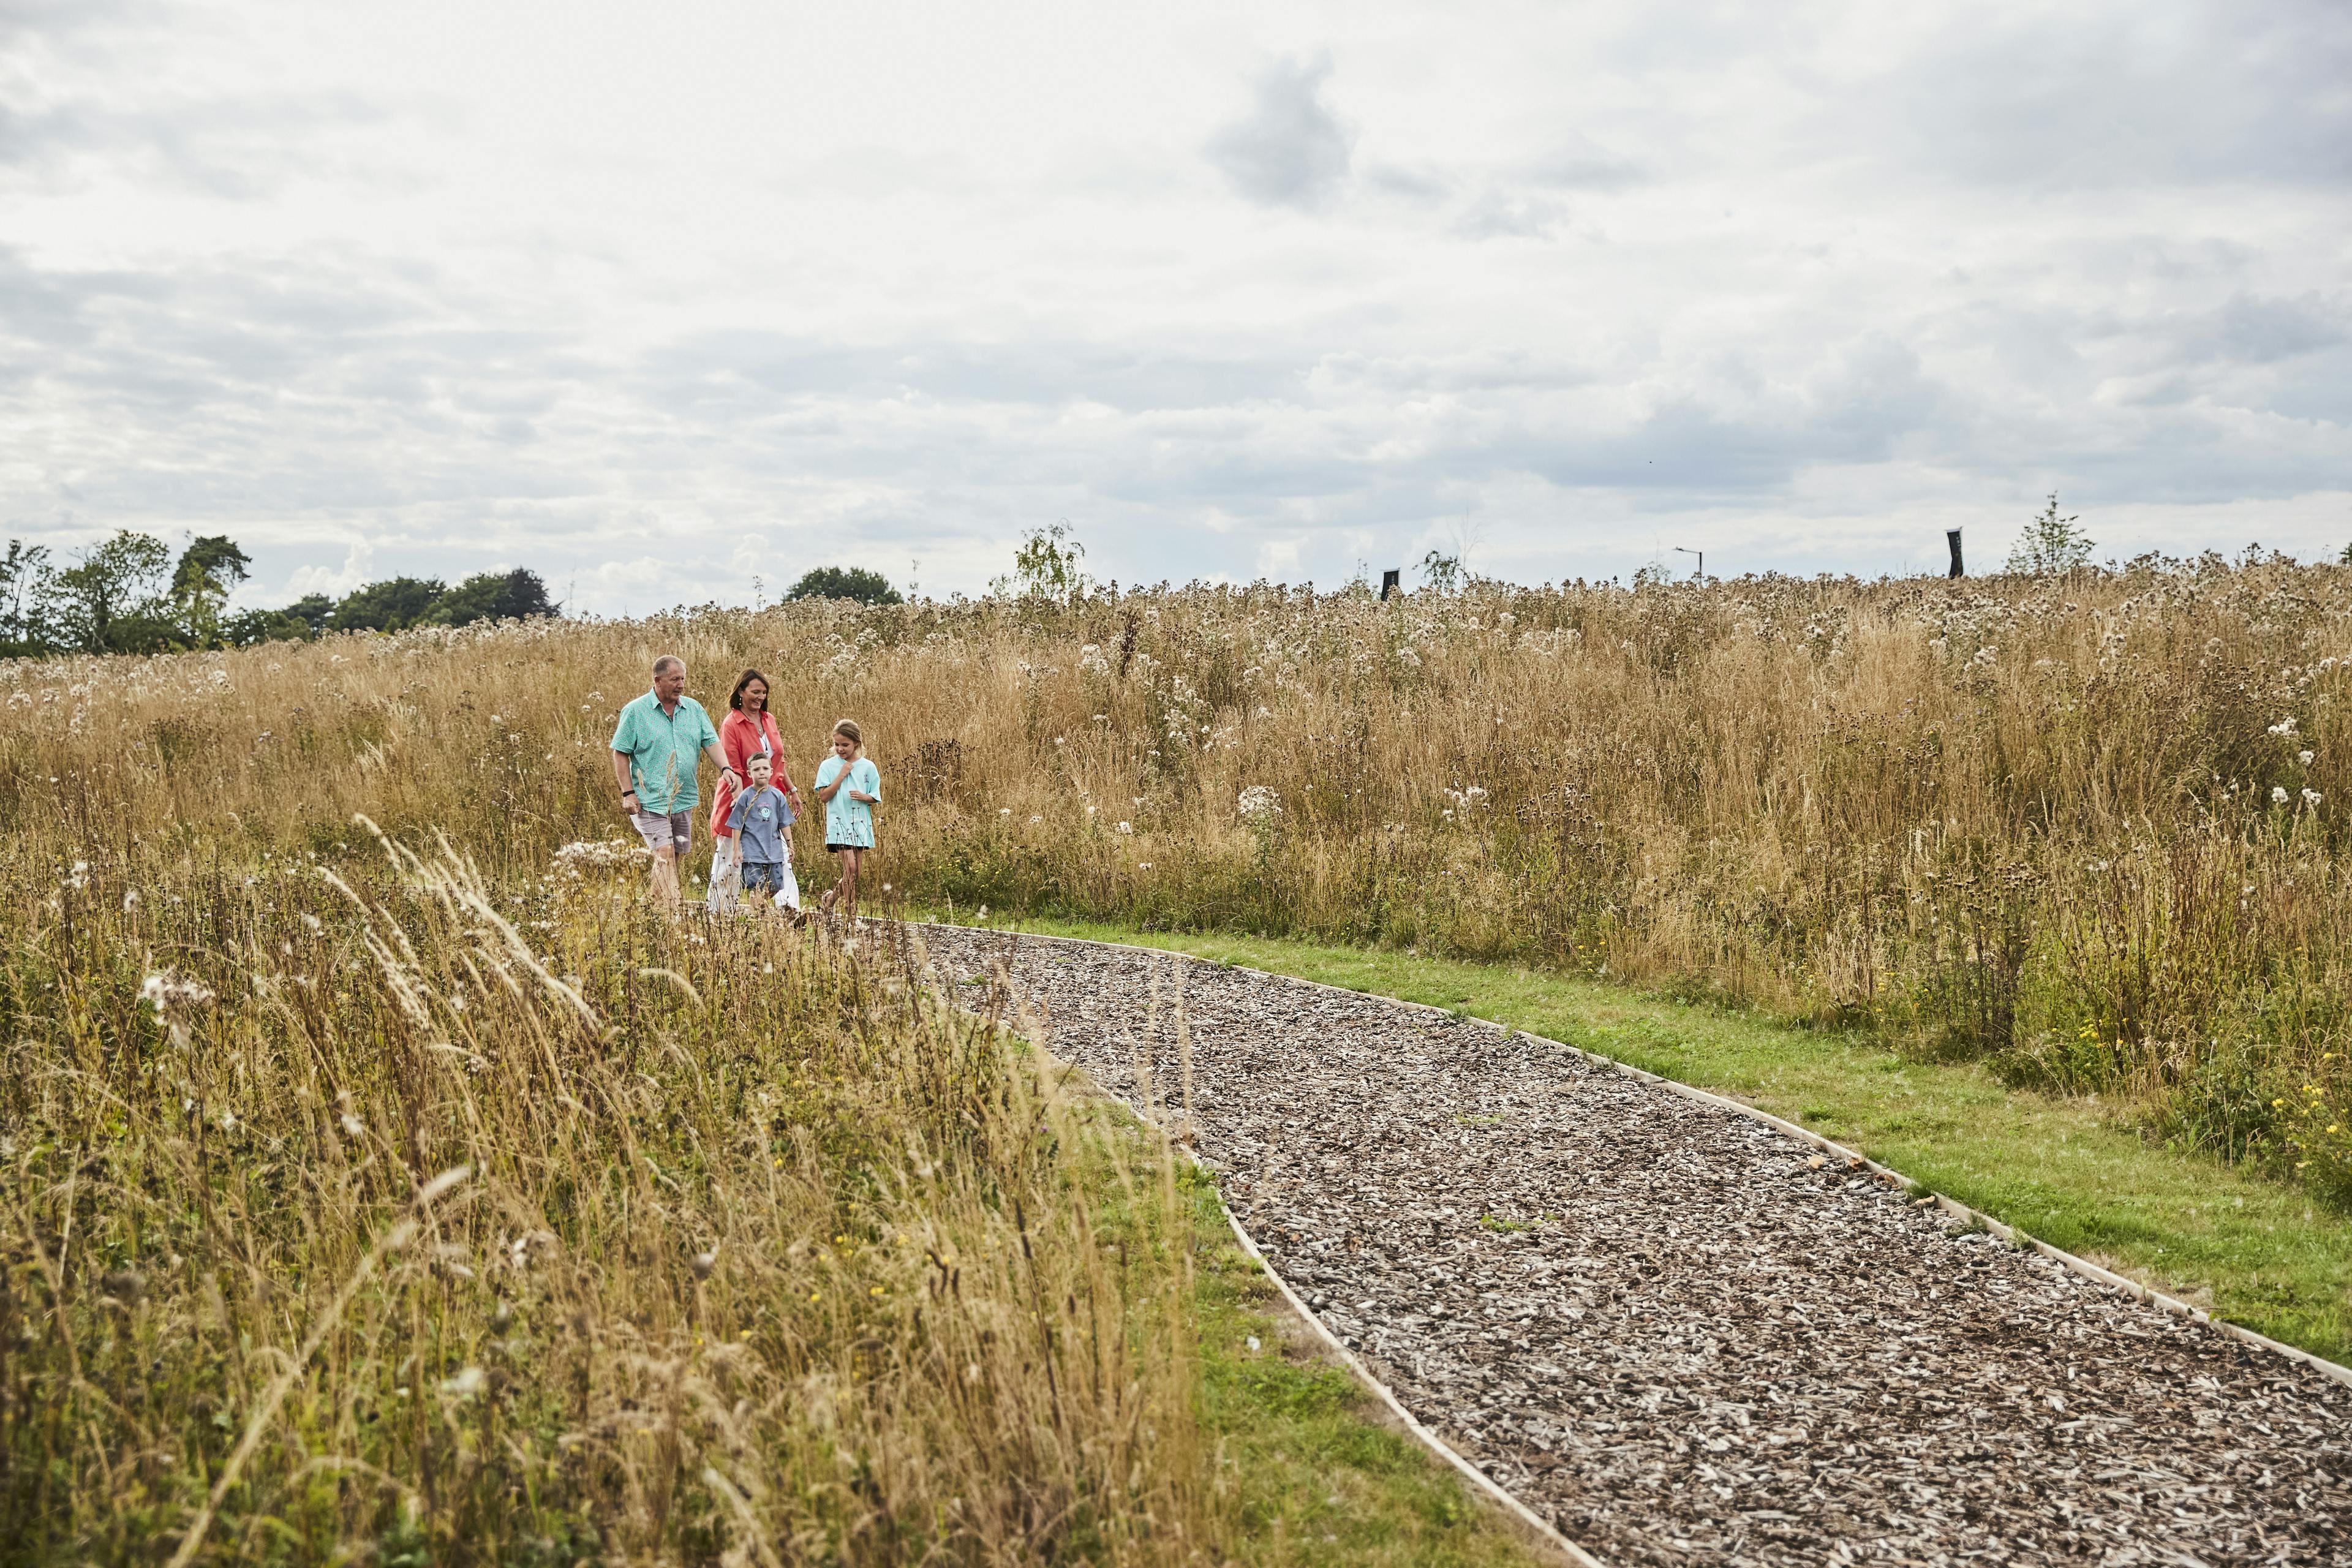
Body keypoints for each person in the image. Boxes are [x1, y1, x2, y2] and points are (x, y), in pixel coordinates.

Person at [608, 655, 739, 908]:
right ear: (657, 680)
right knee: (665, 856)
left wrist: (726, 768)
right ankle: (673, 913)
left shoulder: (694, 709)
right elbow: (620, 752)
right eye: (675, 679)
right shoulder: (636, 711)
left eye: (683, 679)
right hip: (650, 800)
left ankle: (651, 908)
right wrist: (628, 793)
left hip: (683, 797)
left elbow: (710, 741)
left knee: (674, 858)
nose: (681, 685)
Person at [707, 668, 800, 914]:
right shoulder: (731, 724)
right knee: (730, 861)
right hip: (740, 801)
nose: (760, 697)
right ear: (741, 692)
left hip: (771, 801)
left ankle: (788, 909)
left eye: (764, 692)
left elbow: (777, 762)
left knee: (781, 857)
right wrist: (743, 807)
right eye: (755, 692)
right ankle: (719, 914)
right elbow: (733, 769)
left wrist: (791, 789)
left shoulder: (769, 719)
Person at [811, 718, 880, 922]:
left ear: (856, 743)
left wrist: (863, 797)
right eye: (837, 744)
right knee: (849, 867)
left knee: (855, 873)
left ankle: (831, 898)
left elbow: (874, 796)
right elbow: (824, 797)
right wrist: (841, 775)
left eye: (845, 745)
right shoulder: (828, 766)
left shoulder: (868, 767)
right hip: (838, 824)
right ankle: (851, 915)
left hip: (860, 825)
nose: (840, 749)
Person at [725, 752, 795, 911]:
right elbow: (737, 825)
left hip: (774, 851)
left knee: (776, 885)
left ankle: (757, 907)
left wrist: (790, 845)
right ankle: (760, 917)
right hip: (752, 852)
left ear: (771, 771)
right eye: (757, 769)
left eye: (765, 768)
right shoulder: (745, 797)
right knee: (756, 886)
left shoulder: (778, 796)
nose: (761, 772)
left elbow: (784, 823)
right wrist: (736, 850)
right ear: (750, 774)